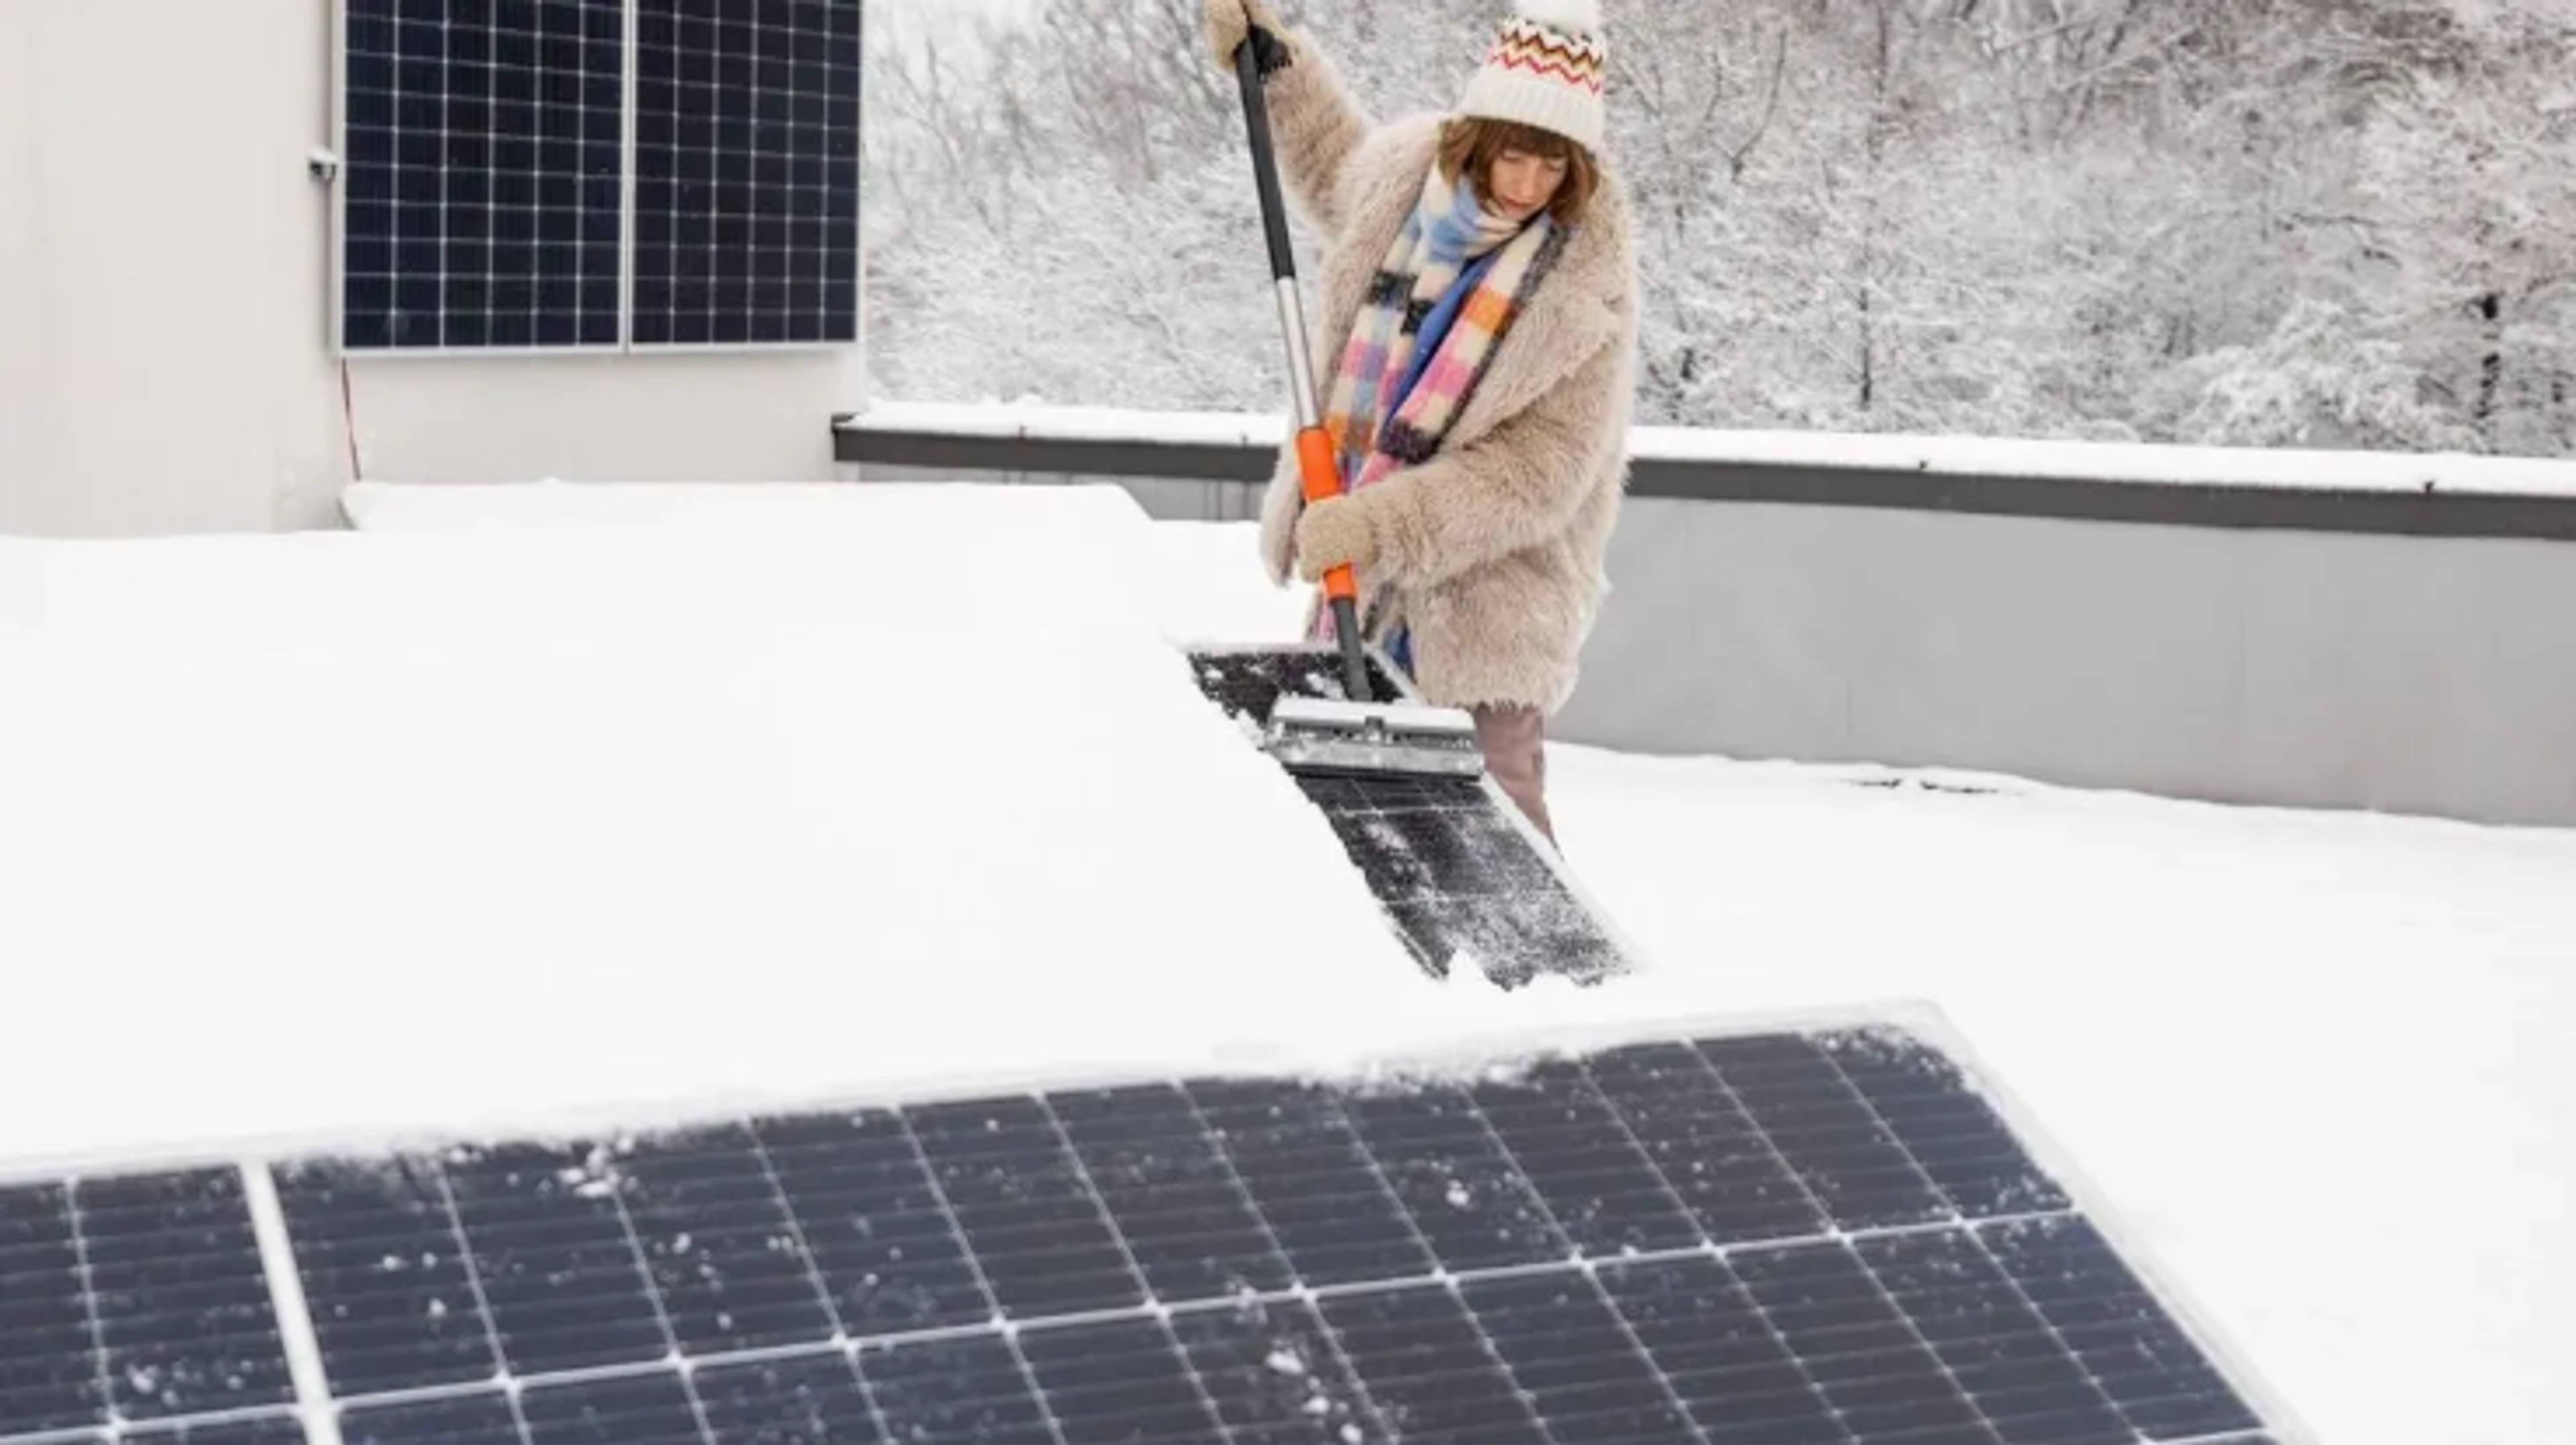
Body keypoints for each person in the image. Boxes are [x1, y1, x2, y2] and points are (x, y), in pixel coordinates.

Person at [1201, 0, 1638, 849]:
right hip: (1362, 595)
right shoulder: (1409, 183)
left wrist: (1378, 526)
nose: (1527, 186)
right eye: (1513, 156)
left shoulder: (1585, 281)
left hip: (1489, 609)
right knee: (1346, 833)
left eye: (1552, 166)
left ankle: (1539, 949)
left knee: (1496, 839)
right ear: (1477, 139)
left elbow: (1537, 472)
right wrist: (1275, 65)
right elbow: (1332, 162)